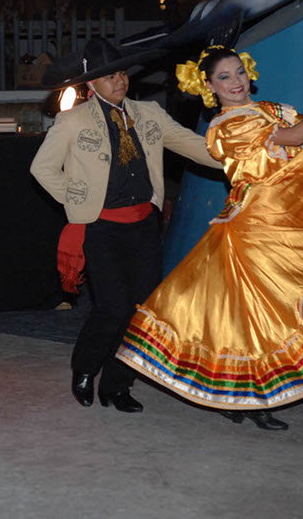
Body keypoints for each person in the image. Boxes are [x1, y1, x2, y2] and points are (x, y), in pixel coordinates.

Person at [114, 46, 303, 430]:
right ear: (209, 87)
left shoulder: (271, 110)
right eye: (224, 77)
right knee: (258, 322)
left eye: (239, 72)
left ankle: (259, 390)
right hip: (254, 232)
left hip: (290, 223)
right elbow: (293, 138)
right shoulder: (225, 127)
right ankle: (253, 398)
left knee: (281, 311)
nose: (235, 82)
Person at [30, 36, 222, 414]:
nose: (118, 80)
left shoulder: (149, 113)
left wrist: (243, 158)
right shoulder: (72, 121)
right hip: (101, 227)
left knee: (140, 310)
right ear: (91, 83)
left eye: (121, 73)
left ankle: (117, 385)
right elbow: (42, 168)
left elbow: (194, 146)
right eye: (109, 76)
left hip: (144, 224)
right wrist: (77, 198)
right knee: (112, 307)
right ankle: (86, 367)